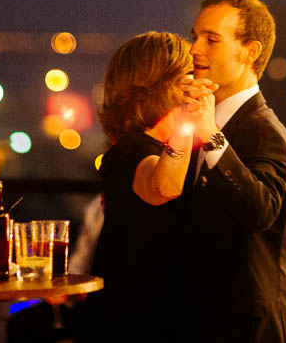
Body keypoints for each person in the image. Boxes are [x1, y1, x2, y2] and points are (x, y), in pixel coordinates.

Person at [181, 0, 286, 343]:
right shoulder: (199, 121)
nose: (195, 50)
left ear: (250, 51)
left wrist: (212, 137)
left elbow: (260, 210)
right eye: (195, 36)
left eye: (211, 39)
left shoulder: (265, 130)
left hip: (248, 329)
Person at [84, 31, 214, 342]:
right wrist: (186, 122)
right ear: (164, 84)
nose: (195, 82)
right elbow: (163, 187)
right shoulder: (129, 151)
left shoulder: (164, 147)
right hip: (134, 319)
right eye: (188, 75)